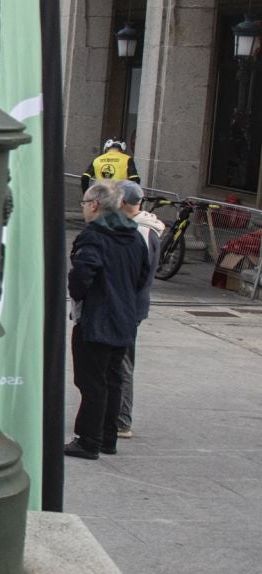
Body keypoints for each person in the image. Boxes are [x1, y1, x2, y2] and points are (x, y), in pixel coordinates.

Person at [65, 181, 151, 460]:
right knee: (112, 379)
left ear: (94, 205)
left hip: (97, 318)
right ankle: (107, 438)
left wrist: (77, 292)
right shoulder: (135, 236)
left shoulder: (94, 235)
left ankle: (89, 440)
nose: (84, 209)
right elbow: (142, 276)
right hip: (124, 317)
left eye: (84, 204)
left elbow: (83, 275)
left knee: (92, 381)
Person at [116, 181, 163, 440]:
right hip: (131, 305)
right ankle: (118, 416)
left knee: (122, 362)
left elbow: (140, 273)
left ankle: (122, 419)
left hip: (129, 307)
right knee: (120, 360)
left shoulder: (142, 232)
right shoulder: (142, 229)